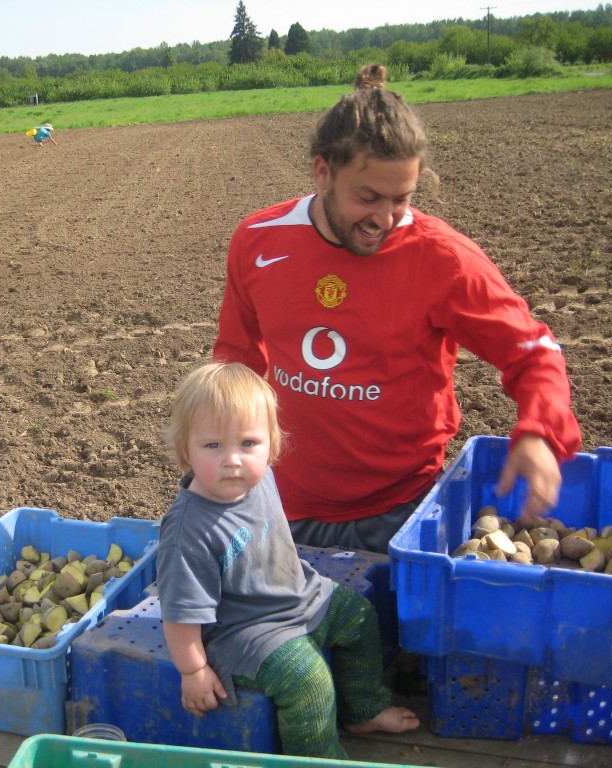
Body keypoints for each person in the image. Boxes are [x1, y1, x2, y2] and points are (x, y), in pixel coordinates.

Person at [213, 63, 582, 554]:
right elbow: (238, 358)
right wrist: (217, 449)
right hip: (279, 501)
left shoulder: (442, 258)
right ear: (323, 171)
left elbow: (533, 351)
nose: (384, 219)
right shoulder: (259, 241)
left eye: (402, 200)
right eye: (367, 198)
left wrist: (539, 431)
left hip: (400, 510)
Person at [156, 362, 419, 759]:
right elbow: (179, 614)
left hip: (297, 594)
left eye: (248, 443)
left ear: (271, 443)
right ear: (185, 450)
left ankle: (363, 709)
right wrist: (193, 671)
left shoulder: (261, 478)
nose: (233, 460)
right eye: (213, 446)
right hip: (246, 630)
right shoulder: (188, 532)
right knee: (310, 683)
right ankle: (319, 760)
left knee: (359, 616)